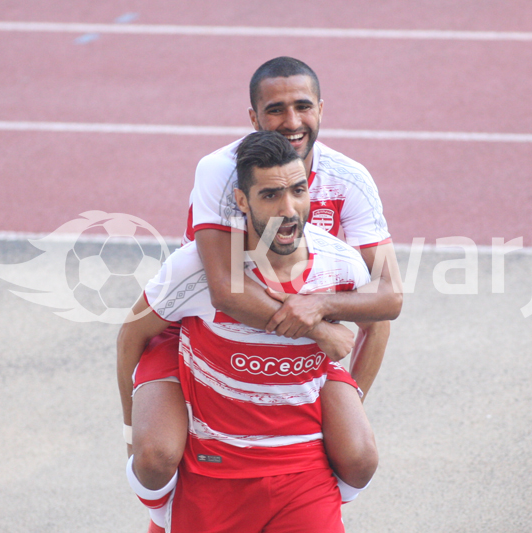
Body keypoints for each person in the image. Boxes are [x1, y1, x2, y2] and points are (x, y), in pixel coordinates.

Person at [117, 57, 402, 530]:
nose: (291, 122)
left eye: (303, 106)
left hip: (305, 333)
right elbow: (223, 287)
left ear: (322, 109)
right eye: (275, 110)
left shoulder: (351, 180)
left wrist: (342, 382)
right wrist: (316, 327)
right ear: (253, 117)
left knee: (357, 455)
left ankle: (312, 487)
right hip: (202, 324)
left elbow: (389, 296)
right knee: (156, 454)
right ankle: (165, 512)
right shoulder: (221, 171)